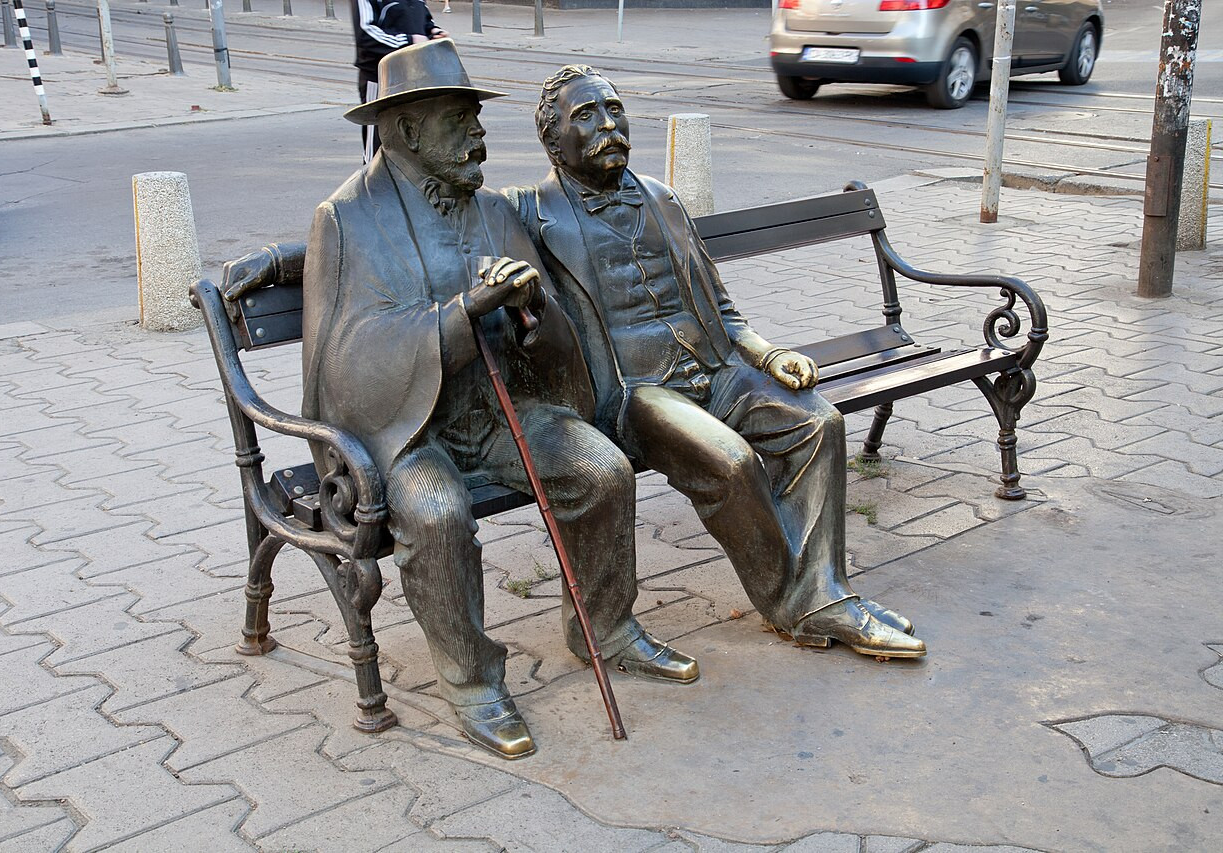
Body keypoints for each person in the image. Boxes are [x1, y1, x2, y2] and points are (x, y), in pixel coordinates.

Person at [302, 41, 697, 759]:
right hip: (402, 430)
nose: (481, 134)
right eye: (461, 119)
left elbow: (550, 332)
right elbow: (350, 357)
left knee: (600, 468)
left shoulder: (490, 208)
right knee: (436, 509)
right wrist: (460, 314)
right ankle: (473, 680)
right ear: (409, 129)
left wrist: (527, 308)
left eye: (478, 116)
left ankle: (606, 626)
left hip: (496, 407)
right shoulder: (347, 218)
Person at [505, 65, 926, 659]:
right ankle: (804, 607)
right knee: (731, 463)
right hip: (632, 394)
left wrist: (767, 353)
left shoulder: (661, 198)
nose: (609, 125)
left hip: (713, 368)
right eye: (587, 116)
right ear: (553, 141)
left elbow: (722, 308)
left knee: (819, 423)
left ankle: (826, 590)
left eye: (615, 110)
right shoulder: (527, 213)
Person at [351, 0, 447, 162]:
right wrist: (410, 41)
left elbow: (422, 20)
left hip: (413, 77)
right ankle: (372, 183)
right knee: (377, 146)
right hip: (380, 77)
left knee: (412, 140)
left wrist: (434, 32)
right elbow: (366, 34)